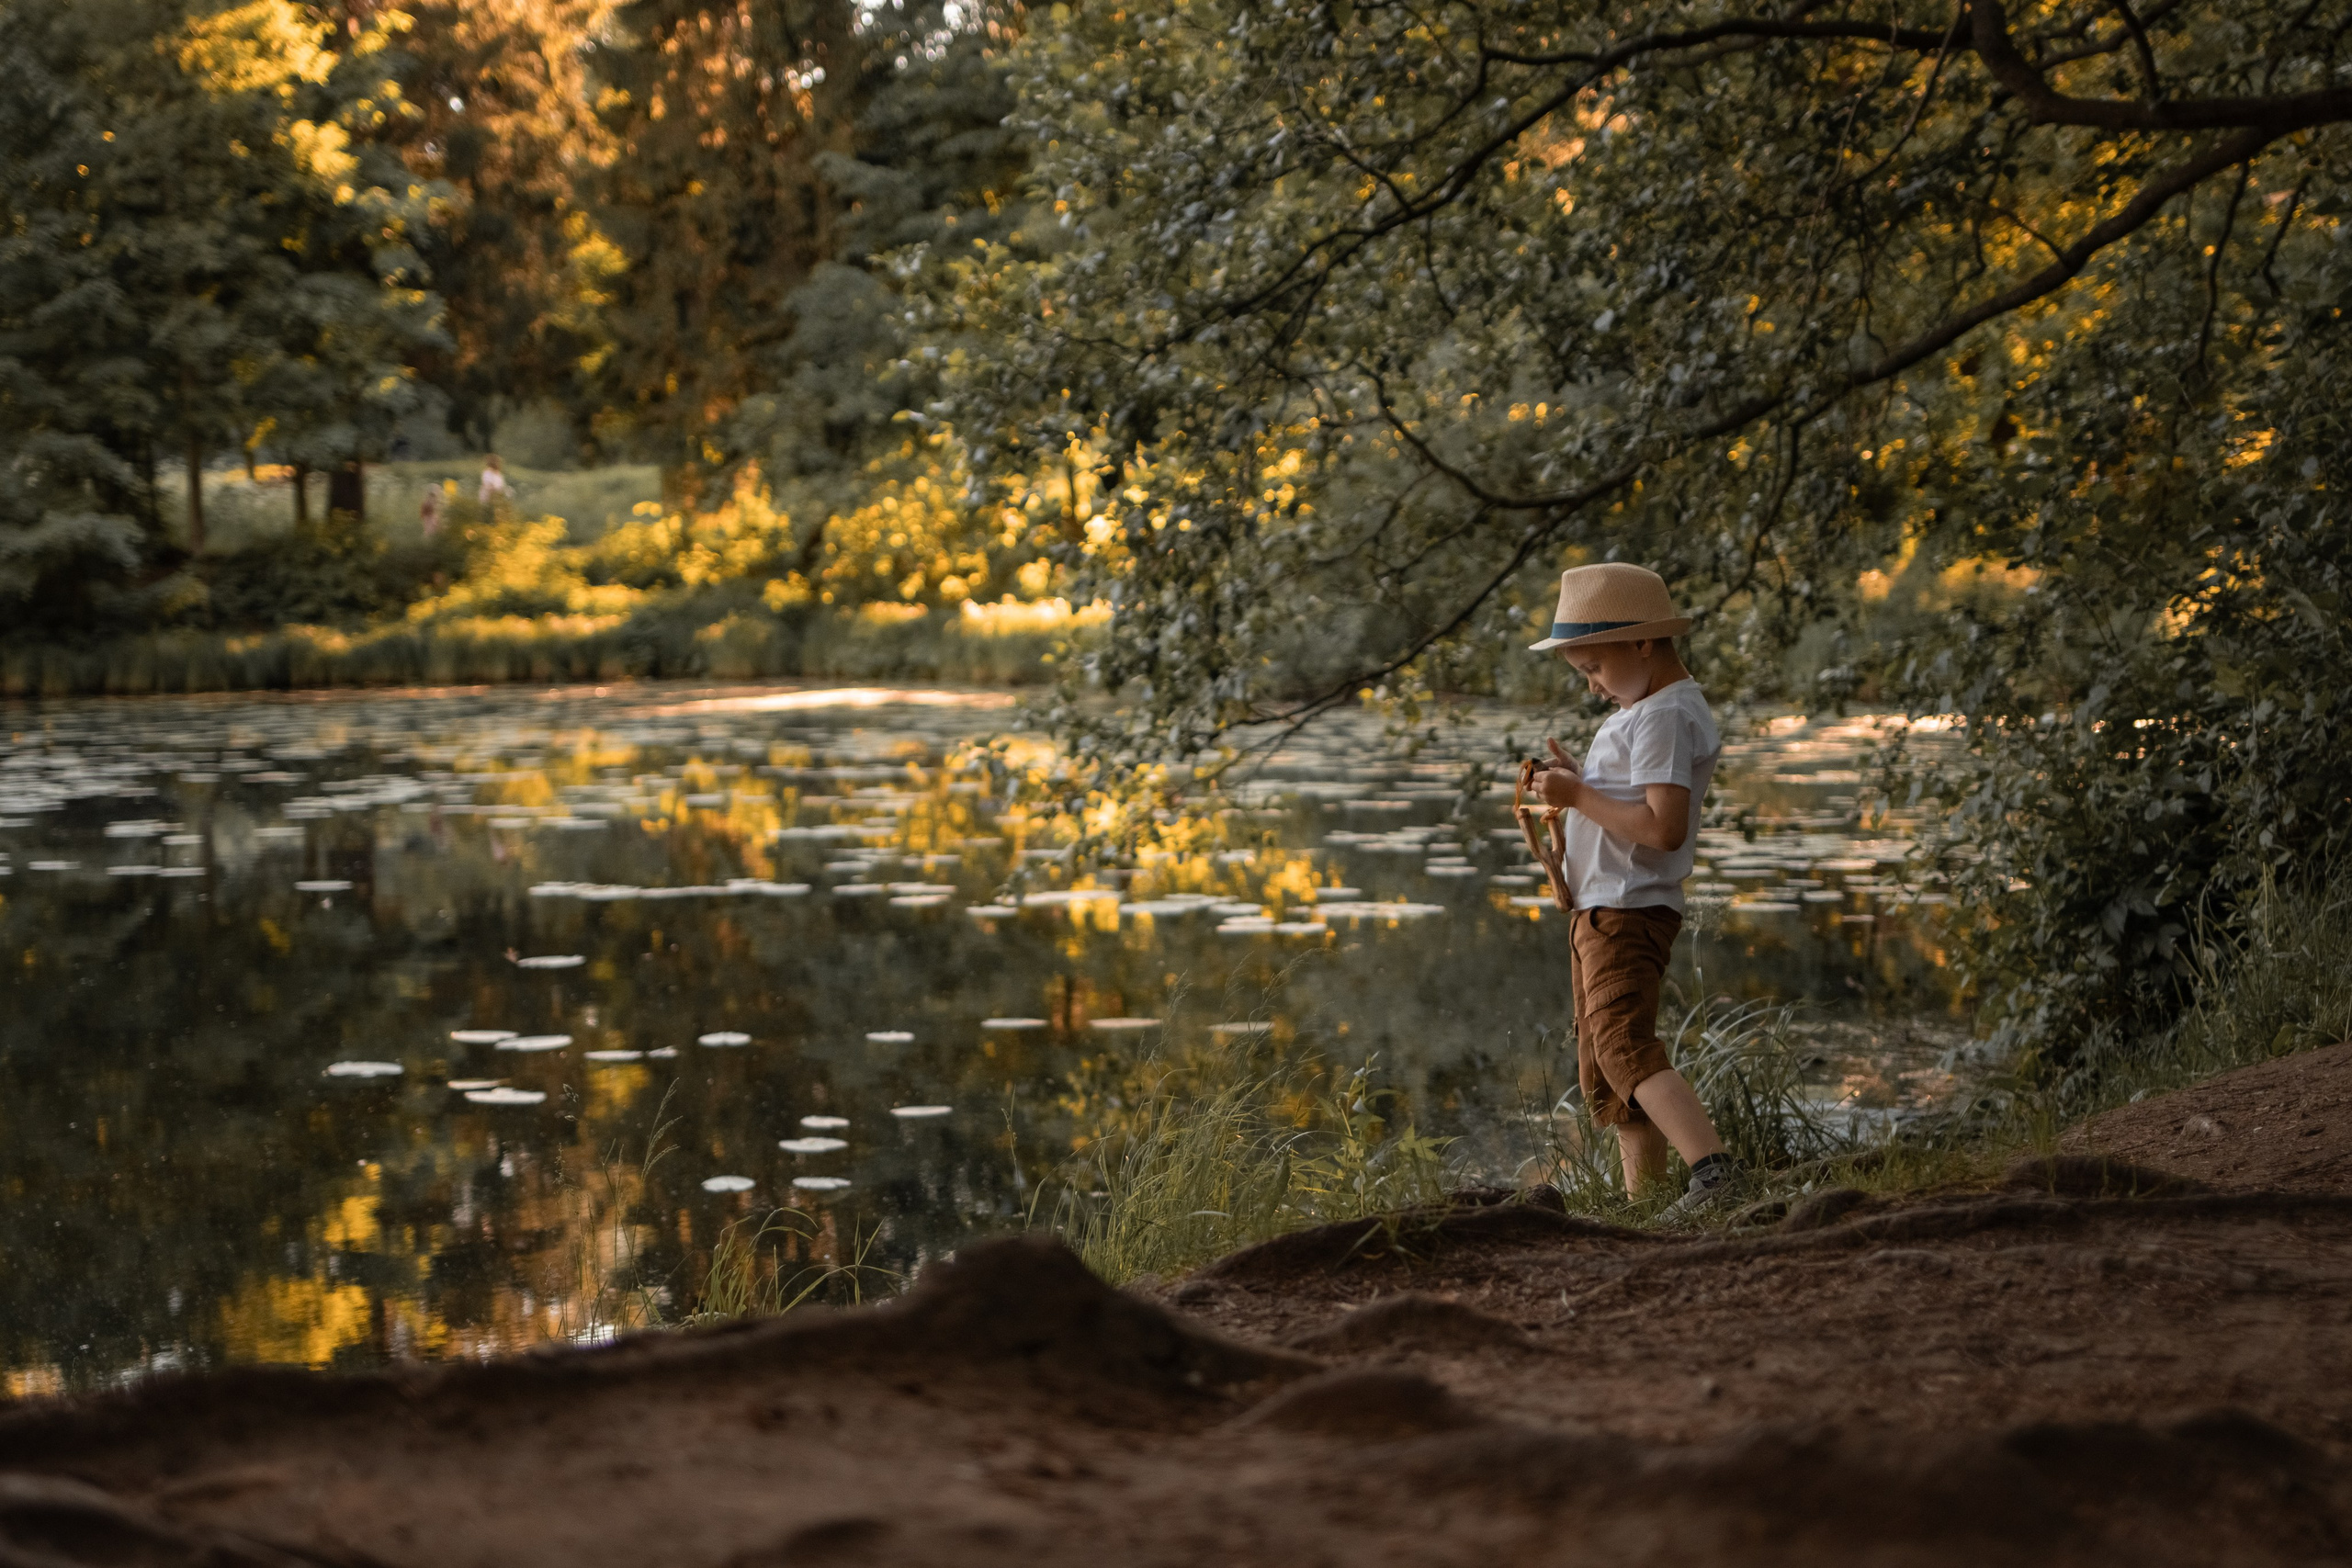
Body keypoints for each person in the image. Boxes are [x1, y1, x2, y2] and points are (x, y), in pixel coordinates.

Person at [1528, 561, 1745, 1222]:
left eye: (1595, 666)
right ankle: (1640, 1205)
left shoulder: (1662, 715)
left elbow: (1662, 826)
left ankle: (1713, 1172)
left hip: (1627, 911)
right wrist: (1577, 784)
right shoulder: (1647, 710)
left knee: (1625, 1046)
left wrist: (1580, 794)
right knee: (1608, 1075)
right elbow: (1628, 803)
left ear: (1643, 642)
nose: (1592, 685)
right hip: (1601, 912)